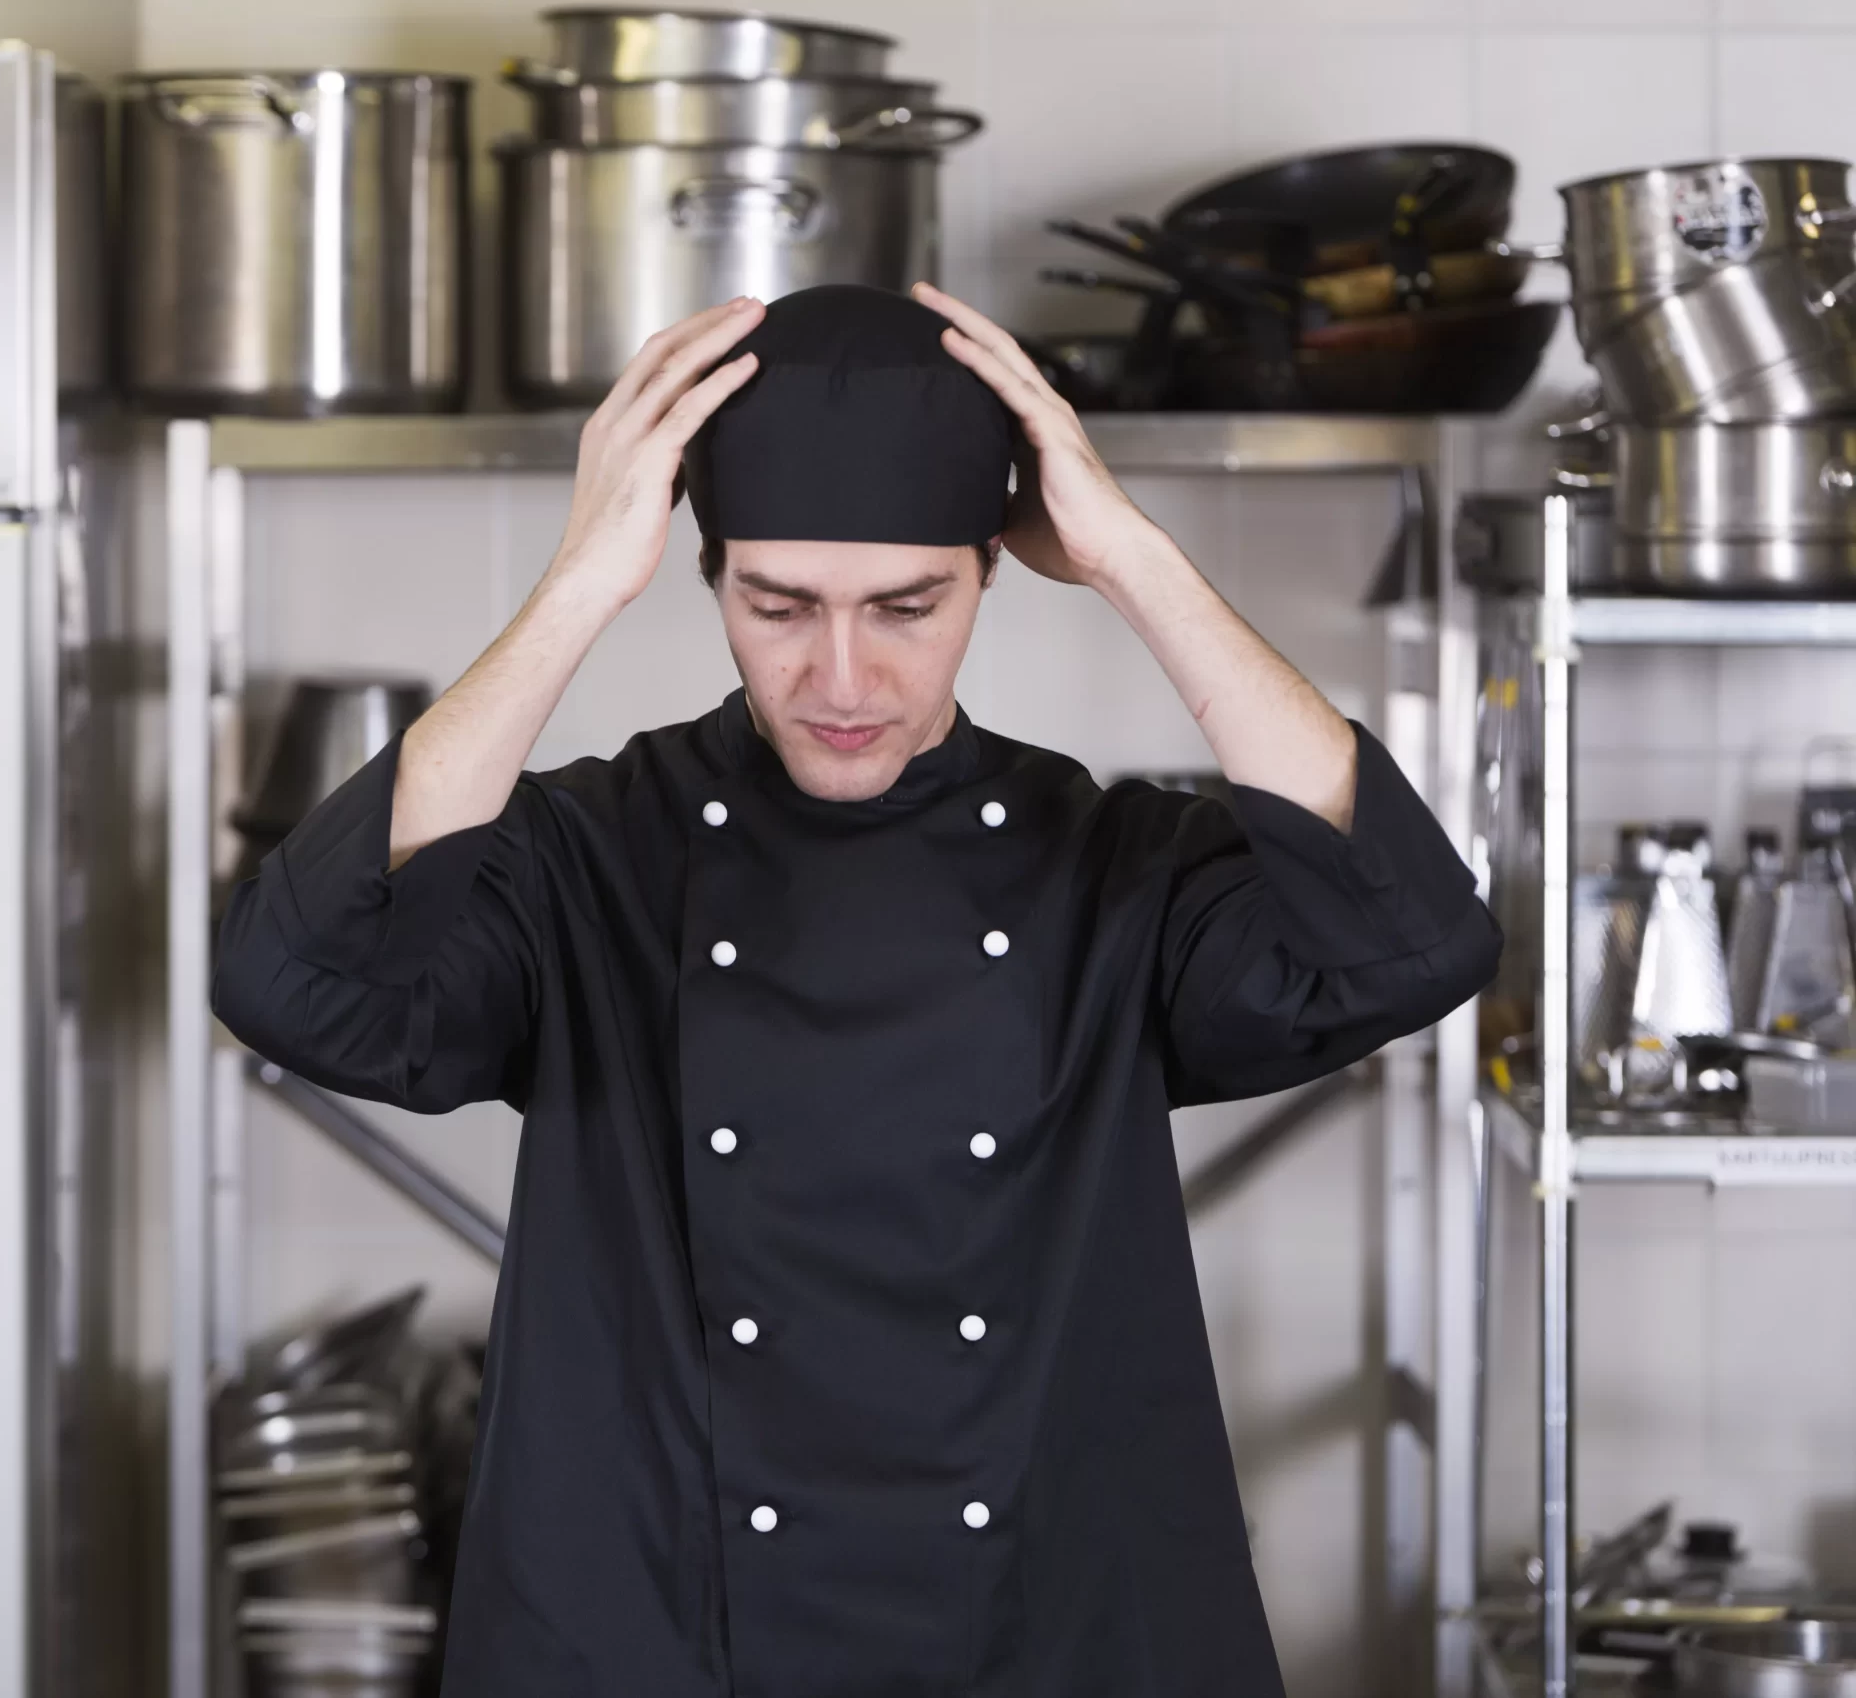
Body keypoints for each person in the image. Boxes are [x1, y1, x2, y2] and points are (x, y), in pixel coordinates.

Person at [214, 282, 1501, 1698]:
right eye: (779, 603)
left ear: (994, 569)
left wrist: (1138, 558)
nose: (844, 675)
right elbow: (293, 980)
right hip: (673, 1636)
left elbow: (1414, 939)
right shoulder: (590, 863)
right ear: (703, 575)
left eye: (908, 604)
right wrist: (577, 578)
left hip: (1032, 1636)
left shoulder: (1108, 873)